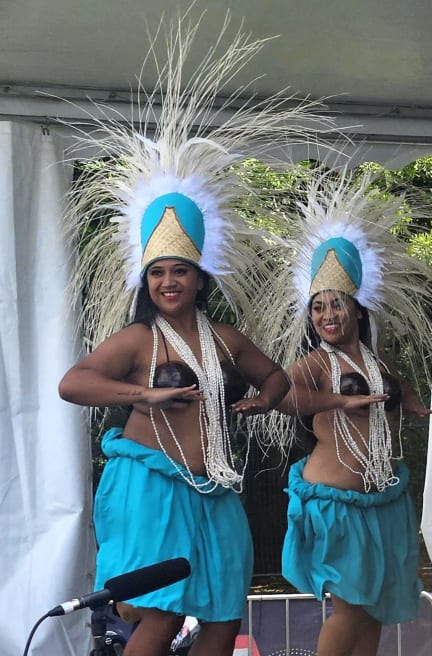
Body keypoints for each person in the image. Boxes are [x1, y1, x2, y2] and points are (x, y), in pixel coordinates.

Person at [56, 14, 324, 656]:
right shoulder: (137, 340)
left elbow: (276, 376)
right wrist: (140, 397)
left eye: (180, 271)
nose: (169, 282)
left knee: (226, 615)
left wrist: (262, 401)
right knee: (157, 616)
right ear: (145, 280)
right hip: (152, 485)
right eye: (158, 273)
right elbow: (73, 383)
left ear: (200, 278)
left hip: (215, 487)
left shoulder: (226, 339)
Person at [262, 170, 432, 656]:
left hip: (383, 505)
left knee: (374, 611)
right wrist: (340, 401)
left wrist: (414, 401)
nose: (328, 316)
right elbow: (282, 396)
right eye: (318, 308)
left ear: (358, 309)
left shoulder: (377, 364)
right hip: (336, 507)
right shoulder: (313, 365)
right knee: (352, 609)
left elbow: (394, 387)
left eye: (337, 305)